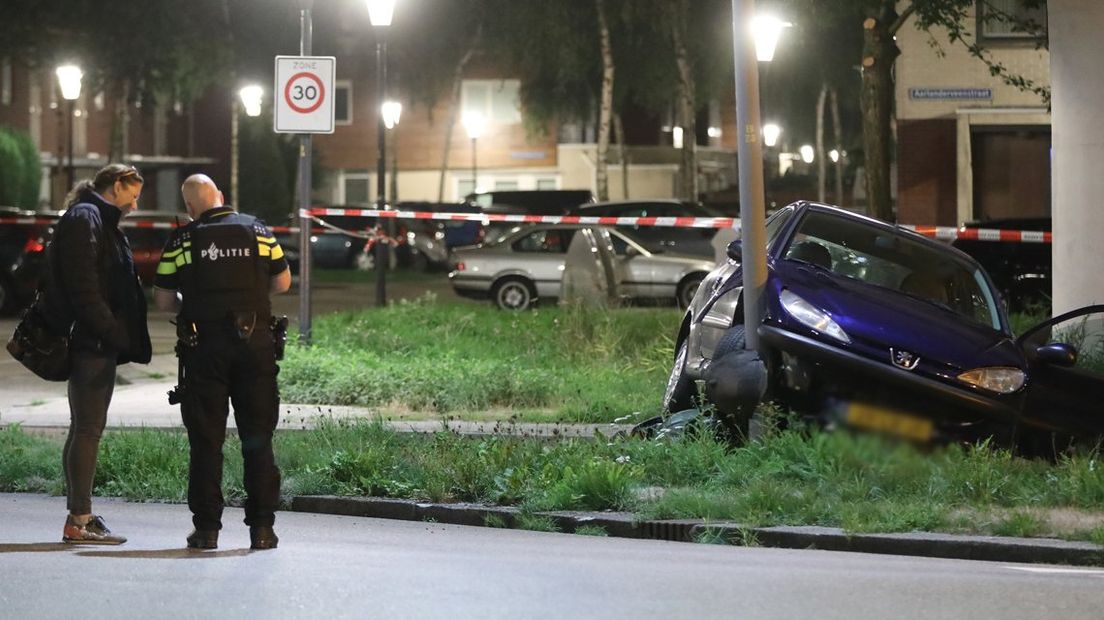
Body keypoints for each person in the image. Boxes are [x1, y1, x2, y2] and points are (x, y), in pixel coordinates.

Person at [153, 174, 291, 550]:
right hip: (256, 347)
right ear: (222, 198)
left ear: (189, 207)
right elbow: (282, 282)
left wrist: (195, 302)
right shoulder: (259, 231)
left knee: (206, 442)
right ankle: (262, 530)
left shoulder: (182, 239)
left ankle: (207, 530)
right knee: (258, 440)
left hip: (204, 350)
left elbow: (164, 300)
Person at [44, 164, 152, 544]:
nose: (135, 205)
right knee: (89, 429)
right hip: (92, 341)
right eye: (133, 194)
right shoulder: (87, 218)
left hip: (95, 338)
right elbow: (84, 285)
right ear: (116, 185)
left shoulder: (93, 217)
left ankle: (79, 514)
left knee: (83, 428)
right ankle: (79, 519)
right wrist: (111, 330)